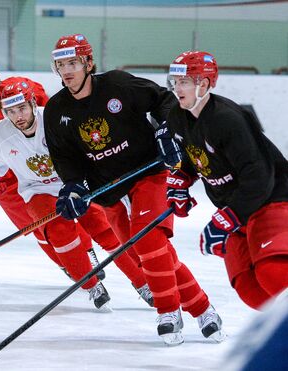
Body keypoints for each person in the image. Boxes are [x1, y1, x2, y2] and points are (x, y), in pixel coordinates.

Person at [43, 33, 224, 345]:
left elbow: (165, 101)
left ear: (88, 62)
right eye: (61, 64)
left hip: (148, 174)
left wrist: (168, 129)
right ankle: (203, 309)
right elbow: (64, 157)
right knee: (144, 254)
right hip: (108, 190)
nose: (67, 69)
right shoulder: (56, 110)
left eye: (73, 62)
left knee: (150, 240)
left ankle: (168, 312)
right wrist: (72, 187)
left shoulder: (117, 84)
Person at [0, 79, 154, 309]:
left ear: (33, 103)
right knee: (59, 232)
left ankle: (142, 282)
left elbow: (88, 150)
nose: (18, 116)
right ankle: (91, 284)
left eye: (22, 108)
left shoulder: (58, 118)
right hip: (37, 190)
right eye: (11, 111)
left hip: (75, 182)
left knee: (105, 231)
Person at [0, 57, 105, 279]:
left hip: (45, 169)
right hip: (9, 185)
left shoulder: (22, 89)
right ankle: (68, 265)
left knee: (72, 210)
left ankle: (87, 252)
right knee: (39, 228)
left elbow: (51, 115)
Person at [163, 50, 288, 309]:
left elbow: (258, 176)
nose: (177, 88)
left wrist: (228, 217)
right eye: (175, 82)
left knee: (274, 275)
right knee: (252, 292)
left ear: (205, 83)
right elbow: (195, 157)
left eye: (184, 81)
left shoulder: (227, 118)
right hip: (235, 208)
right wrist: (181, 179)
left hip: (273, 200)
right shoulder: (177, 116)